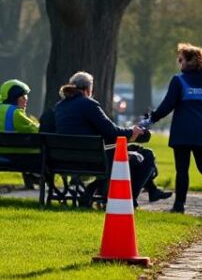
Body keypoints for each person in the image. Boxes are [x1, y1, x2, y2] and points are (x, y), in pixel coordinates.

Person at [49, 72, 168, 208]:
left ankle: (103, 188)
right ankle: (126, 199)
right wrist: (133, 132)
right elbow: (112, 133)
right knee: (146, 156)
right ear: (88, 89)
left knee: (135, 153)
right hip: (93, 160)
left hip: (66, 160)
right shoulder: (89, 104)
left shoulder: (60, 106)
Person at [145, 44, 202, 218]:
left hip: (183, 131)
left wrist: (151, 119)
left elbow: (167, 105)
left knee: (182, 169)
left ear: (190, 61)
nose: (179, 63)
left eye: (181, 59)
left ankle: (179, 206)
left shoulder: (179, 80)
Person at [0, 79, 43, 188]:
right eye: (23, 96)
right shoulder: (16, 114)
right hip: (19, 155)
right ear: (14, 97)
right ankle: (36, 176)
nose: (26, 100)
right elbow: (37, 130)